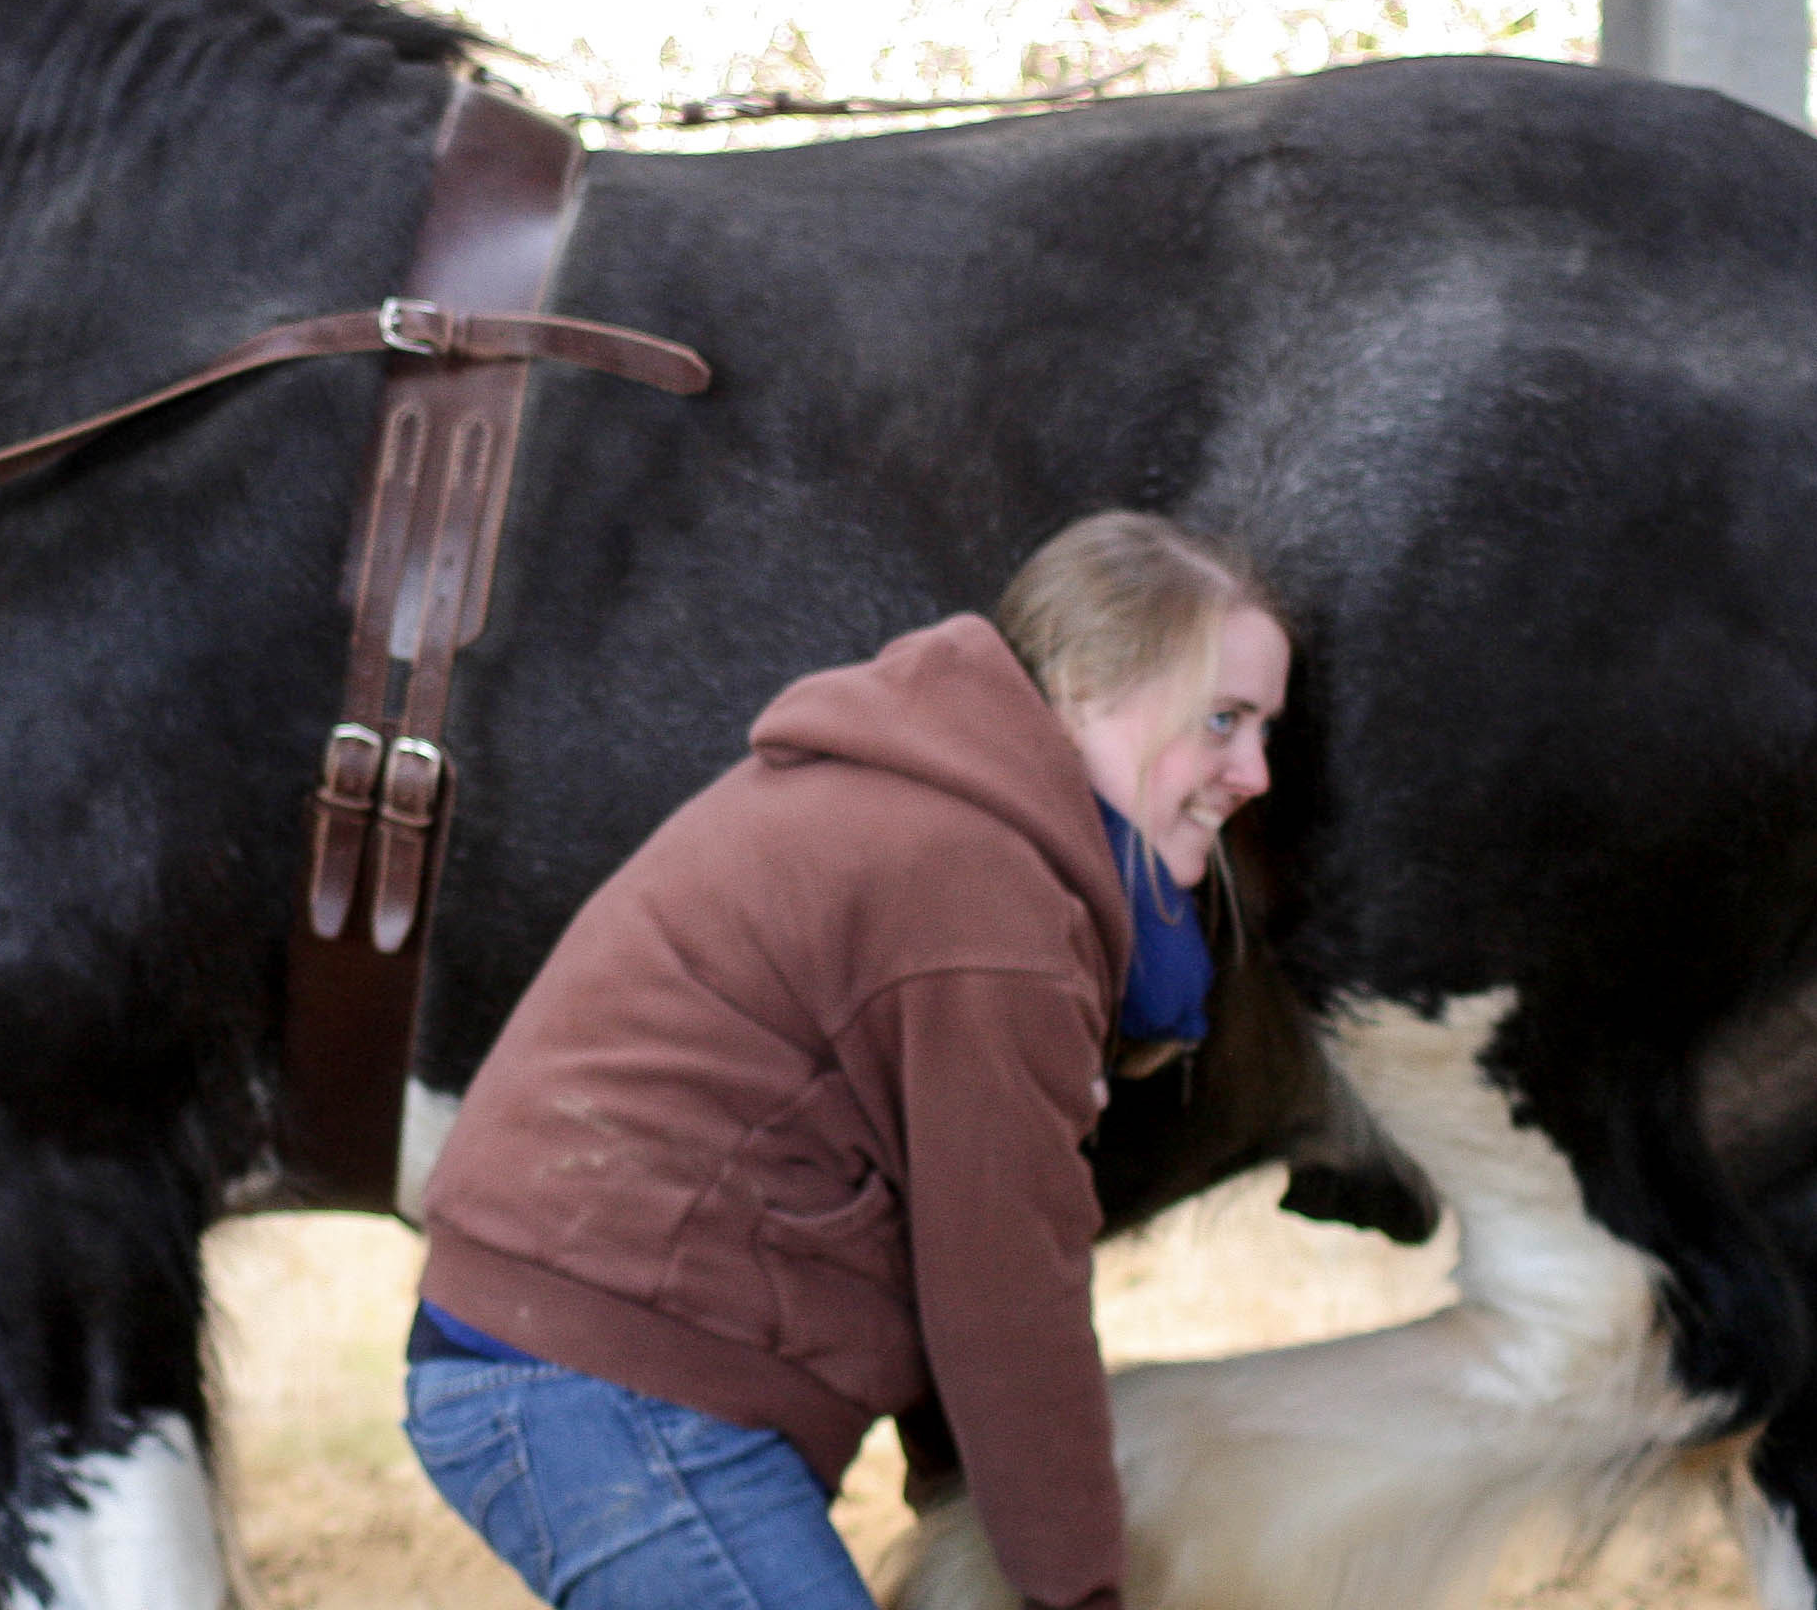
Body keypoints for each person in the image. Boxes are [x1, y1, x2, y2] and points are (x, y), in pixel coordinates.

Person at [409, 512, 1291, 1610]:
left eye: (1265, 729)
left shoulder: (942, 821)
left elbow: (944, 1238)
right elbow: (1004, 1284)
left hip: (566, 1365)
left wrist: (963, 1501)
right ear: (1084, 687)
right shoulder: (985, 895)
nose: (1253, 770)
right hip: (603, 1389)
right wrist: (1078, 1592)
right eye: (1222, 719)